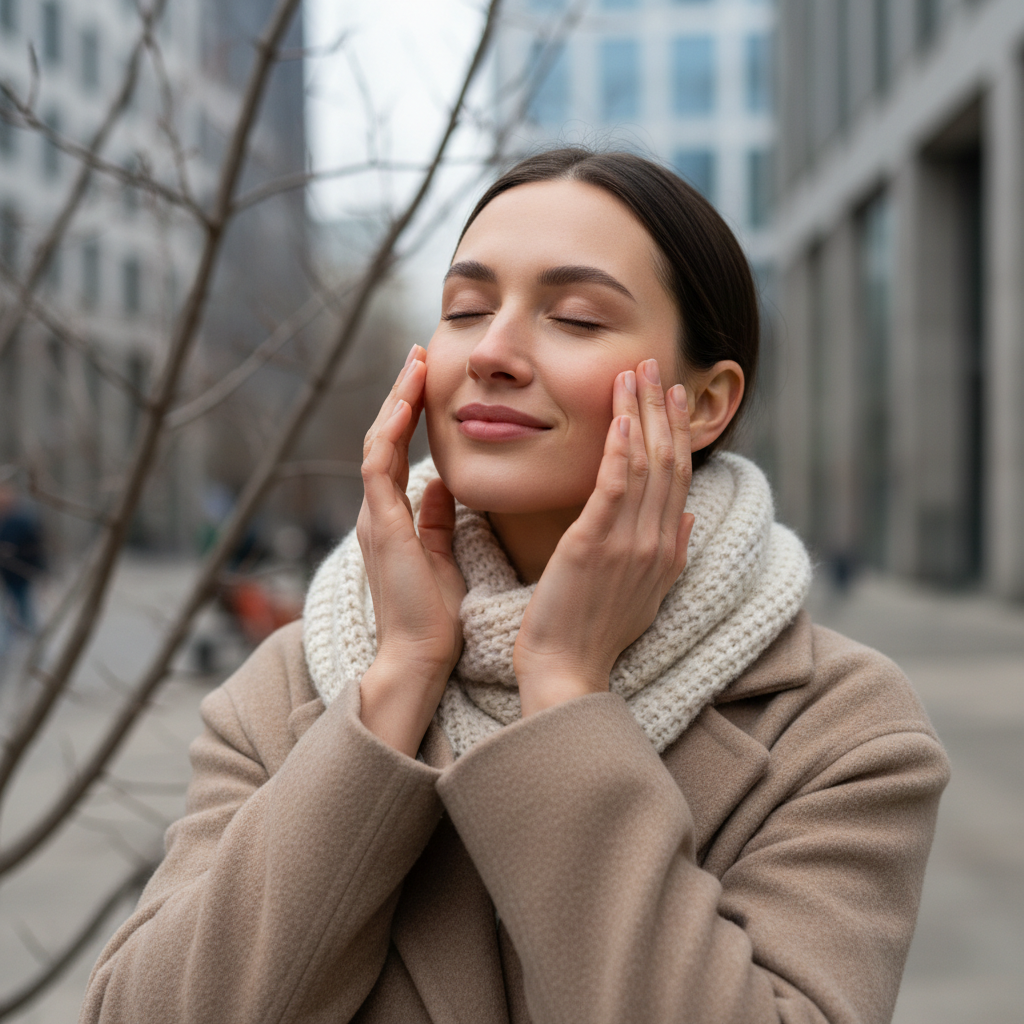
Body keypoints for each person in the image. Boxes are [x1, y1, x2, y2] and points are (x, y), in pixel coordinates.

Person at [80, 149, 949, 1024]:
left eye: (574, 318)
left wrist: (567, 690)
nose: (493, 351)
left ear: (707, 402)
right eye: (466, 309)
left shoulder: (838, 727)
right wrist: (400, 680)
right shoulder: (293, 685)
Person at [0, 484, 45, 642]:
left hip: (21, 573)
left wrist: (14, 552)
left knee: (23, 608)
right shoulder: (4, 520)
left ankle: (34, 642)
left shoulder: (23, 521)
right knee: (9, 611)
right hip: (6, 574)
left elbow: (36, 547)